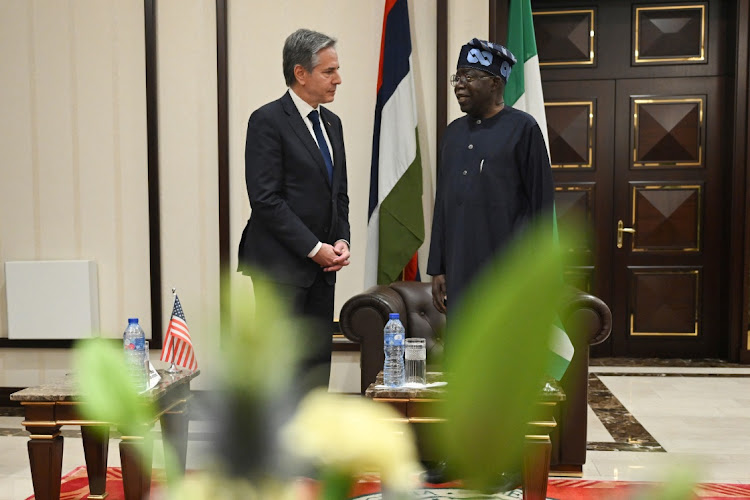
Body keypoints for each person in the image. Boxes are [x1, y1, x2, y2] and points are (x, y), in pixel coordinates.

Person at [424, 38, 555, 489]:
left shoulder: (524, 130)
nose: (460, 86)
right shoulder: (452, 133)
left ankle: (506, 463)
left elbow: (541, 208)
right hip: (460, 271)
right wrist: (437, 266)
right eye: (457, 78)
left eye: (470, 78)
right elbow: (443, 204)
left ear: (496, 83)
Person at [237, 28, 351, 393]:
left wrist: (340, 240)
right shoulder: (267, 121)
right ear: (300, 73)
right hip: (280, 268)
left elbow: (339, 194)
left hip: (323, 268)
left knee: (316, 366)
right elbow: (266, 200)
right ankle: (275, 450)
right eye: (328, 71)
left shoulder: (332, 123)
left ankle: (312, 446)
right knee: (281, 371)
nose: (338, 79)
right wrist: (316, 249)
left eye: (337, 70)